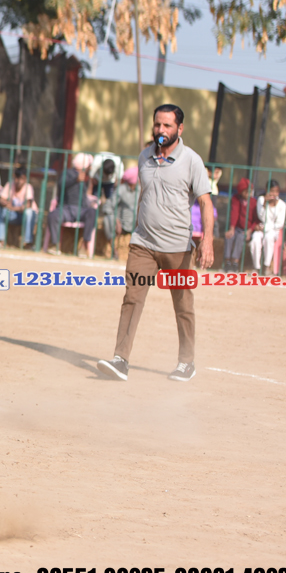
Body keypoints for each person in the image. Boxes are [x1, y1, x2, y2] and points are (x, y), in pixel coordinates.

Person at [97, 104, 214, 384]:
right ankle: (120, 359)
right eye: (157, 124)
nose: (161, 130)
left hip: (178, 248)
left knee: (183, 305)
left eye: (167, 125)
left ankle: (186, 362)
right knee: (132, 298)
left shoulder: (192, 161)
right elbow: (145, 196)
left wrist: (207, 240)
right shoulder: (144, 157)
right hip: (143, 244)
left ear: (179, 129)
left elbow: (205, 202)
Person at [46, 153, 97, 257]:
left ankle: (84, 247)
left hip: (82, 210)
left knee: (92, 213)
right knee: (53, 215)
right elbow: (61, 184)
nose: (91, 168)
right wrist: (75, 179)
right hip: (66, 209)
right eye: (89, 165)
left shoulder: (87, 178)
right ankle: (55, 245)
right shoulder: (67, 173)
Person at [0, 166, 37, 248]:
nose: (19, 181)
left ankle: (28, 243)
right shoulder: (9, 185)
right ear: (14, 177)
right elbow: (1, 199)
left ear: (26, 179)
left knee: (29, 212)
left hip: (25, 217)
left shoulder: (28, 187)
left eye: (22, 178)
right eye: (17, 178)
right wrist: (4, 203)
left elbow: (28, 205)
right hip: (12, 215)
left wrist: (12, 208)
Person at [101, 166, 139, 261]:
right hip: (121, 223)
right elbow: (108, 206)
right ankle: (114, 251)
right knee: (107, 220)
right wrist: (116, 220)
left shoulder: (140, 190)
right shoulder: (121, 189)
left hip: (136, 224)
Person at [249, 181, 286, 275]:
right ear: (266, 190)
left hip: (273, 230)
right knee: (255, 239)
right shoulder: (261, 200)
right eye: (272, 191)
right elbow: (261, 217)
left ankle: (266, 266)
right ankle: (256, 267)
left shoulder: (282, 205)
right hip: (261, 228)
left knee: (268, 238)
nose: (274, 194)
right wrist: (265, 204)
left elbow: (279, 224)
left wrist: (266, 227)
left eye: (276, 192)